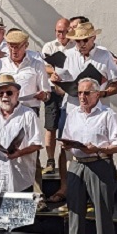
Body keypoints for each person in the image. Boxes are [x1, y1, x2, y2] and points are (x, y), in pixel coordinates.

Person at [57, 78, 117, 234]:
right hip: (77, 164)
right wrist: (68, 145)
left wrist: (97, 148)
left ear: (97, 94)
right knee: (75, 215)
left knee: (103, 215)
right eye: (80, 93)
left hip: (99, 163)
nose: (83, 97)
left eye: (87, 93)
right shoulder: (73, 113)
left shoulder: (107, 114)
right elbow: (66, 138)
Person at [50, 22, 117, 205]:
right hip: (73, 108)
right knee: (67, 148)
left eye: (84, 40)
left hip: (97, 110)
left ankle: (103, 189)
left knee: (103, 147)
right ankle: (68, 187)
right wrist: (57, 83)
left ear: (93, 38)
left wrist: (100, 93)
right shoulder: (68, 55)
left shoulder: (104, 55)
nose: (80, 44)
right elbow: (59, 88)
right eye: (77, 41)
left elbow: (116, 84)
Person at [0, 29, 50, 201]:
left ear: (26, 45)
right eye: (10, 46)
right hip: (5, 113)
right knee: (5, 152)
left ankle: (36, 195)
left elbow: (47, 92)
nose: (14, 50)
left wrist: (42, 95)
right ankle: (5, 195)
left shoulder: (36, 63)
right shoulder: (0, 64)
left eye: (17, 47)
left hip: (28, 112)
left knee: (30, 153)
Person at [0, 74, 43, 193]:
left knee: (22, 211)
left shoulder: (28, 115)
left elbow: (37, 144)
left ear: (17, 94)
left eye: (9, 93)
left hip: (20, 178)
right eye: (0, 93)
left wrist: (20, 153)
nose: (5, 96)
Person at [41, 18, 74, 175]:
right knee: (50, 125)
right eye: (58, 31)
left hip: (69, 90)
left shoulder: (75, 45)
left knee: (67, 126)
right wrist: (54, 71)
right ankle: (50, 160)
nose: (61, 34)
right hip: (53, 89)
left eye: (64, 31)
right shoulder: (49, 46)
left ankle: (68, 158)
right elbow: (44, 65)